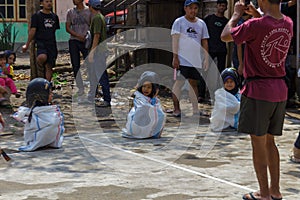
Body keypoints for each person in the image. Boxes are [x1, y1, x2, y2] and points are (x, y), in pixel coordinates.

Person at [221, 0, 293, 199]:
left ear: (261, 1)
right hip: (280, 89)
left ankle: (263, 192)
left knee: (258, 143)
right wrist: (257, 15)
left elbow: (226, 35)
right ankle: (275, 191)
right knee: (270, 142)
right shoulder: (287, 22)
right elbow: (269, 26)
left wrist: (235, 15)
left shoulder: (255, 25)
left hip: (258, 90)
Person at [171, 0, 209, 117]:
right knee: (179, 83)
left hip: (195, 60)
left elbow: (204, 41)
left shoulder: (201, 24)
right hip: (182, 60)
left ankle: (195, 110)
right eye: (190, 8)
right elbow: (175, 40)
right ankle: (176, 109)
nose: (193, 10)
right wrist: (175, 57)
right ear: (185, 8)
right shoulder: (179, 22)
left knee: (193, 84)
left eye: (195, 8)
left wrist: (206, 58)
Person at [13, 78, 64, 152]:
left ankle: (50, 142)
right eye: (49, 93)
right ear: (40, 96)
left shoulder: (51, 110)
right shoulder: (35, 113)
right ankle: (38, 142)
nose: (52, 95)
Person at [22, 0, 60, 81]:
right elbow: (33, 30)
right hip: (41, 42)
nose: (49, 3)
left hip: (51, 43)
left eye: (50, 1)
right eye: (46, 1)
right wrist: (27, 44)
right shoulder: (37, 16)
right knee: (41, 57)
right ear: (41, 3)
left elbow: (54, 30)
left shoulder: (54, 16)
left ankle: (47, 85)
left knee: (49, 66)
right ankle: (39, 69)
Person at [123, 71, 166, 139]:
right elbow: (143, 107)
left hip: (148, 119)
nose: (146, 89)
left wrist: (154, 96)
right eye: (144, 86)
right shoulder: (139, 96)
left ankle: (153, 133)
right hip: (139, 120)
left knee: (162, 115)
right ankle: (141, 133)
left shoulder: (154, 99)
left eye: (149, 87)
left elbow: (156, 107)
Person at [86, 0, 111, 107]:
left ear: (91, 7)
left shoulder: (96, 18)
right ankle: (93, 96)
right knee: (96, 75)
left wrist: (92, 52)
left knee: (101, 76)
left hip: (98, 52)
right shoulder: (101, 17)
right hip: (101, 50)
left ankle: (106, 99)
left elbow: (96, 36)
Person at [66, 0, 92, 102]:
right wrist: (77, 35)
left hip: (86, 40)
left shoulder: (89, 11)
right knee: (75, 65)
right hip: (74, 40)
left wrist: (86, 36)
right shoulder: (70, 12)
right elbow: (67, 27)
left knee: (89, 64)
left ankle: (92, 87)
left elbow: (92, 25)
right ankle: (80, 88)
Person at [210, 68, 240, 132]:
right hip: (221, 123)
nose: (229, 84)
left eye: (231, 82)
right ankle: (225, 124)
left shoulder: (238, 93)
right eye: (227, 82)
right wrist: (237, 106)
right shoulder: (219, 93)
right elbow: (222, 107)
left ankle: (232, 124)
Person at [204, 0, 228, 73]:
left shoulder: (227, 22)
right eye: (220, 5)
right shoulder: (209, 18)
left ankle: (219, 84)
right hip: (210, 49)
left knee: (221, 71)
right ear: (216, 6)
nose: (221, 7)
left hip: (221, 49)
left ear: (226, 7)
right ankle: (202, 84)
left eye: (223, 6)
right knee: (205, 69)